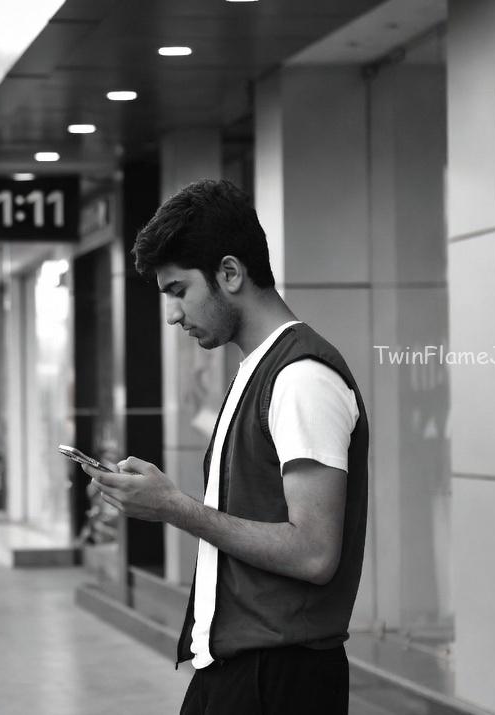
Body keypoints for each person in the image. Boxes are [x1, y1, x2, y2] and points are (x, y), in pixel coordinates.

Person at [81, 179, 368, 714]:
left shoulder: (301, 377)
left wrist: (174, 508)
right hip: (242, 666)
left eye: (178, 291)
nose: (171, 314)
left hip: (281, 675)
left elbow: (314, 552)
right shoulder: (259, 369)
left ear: (230, 273)